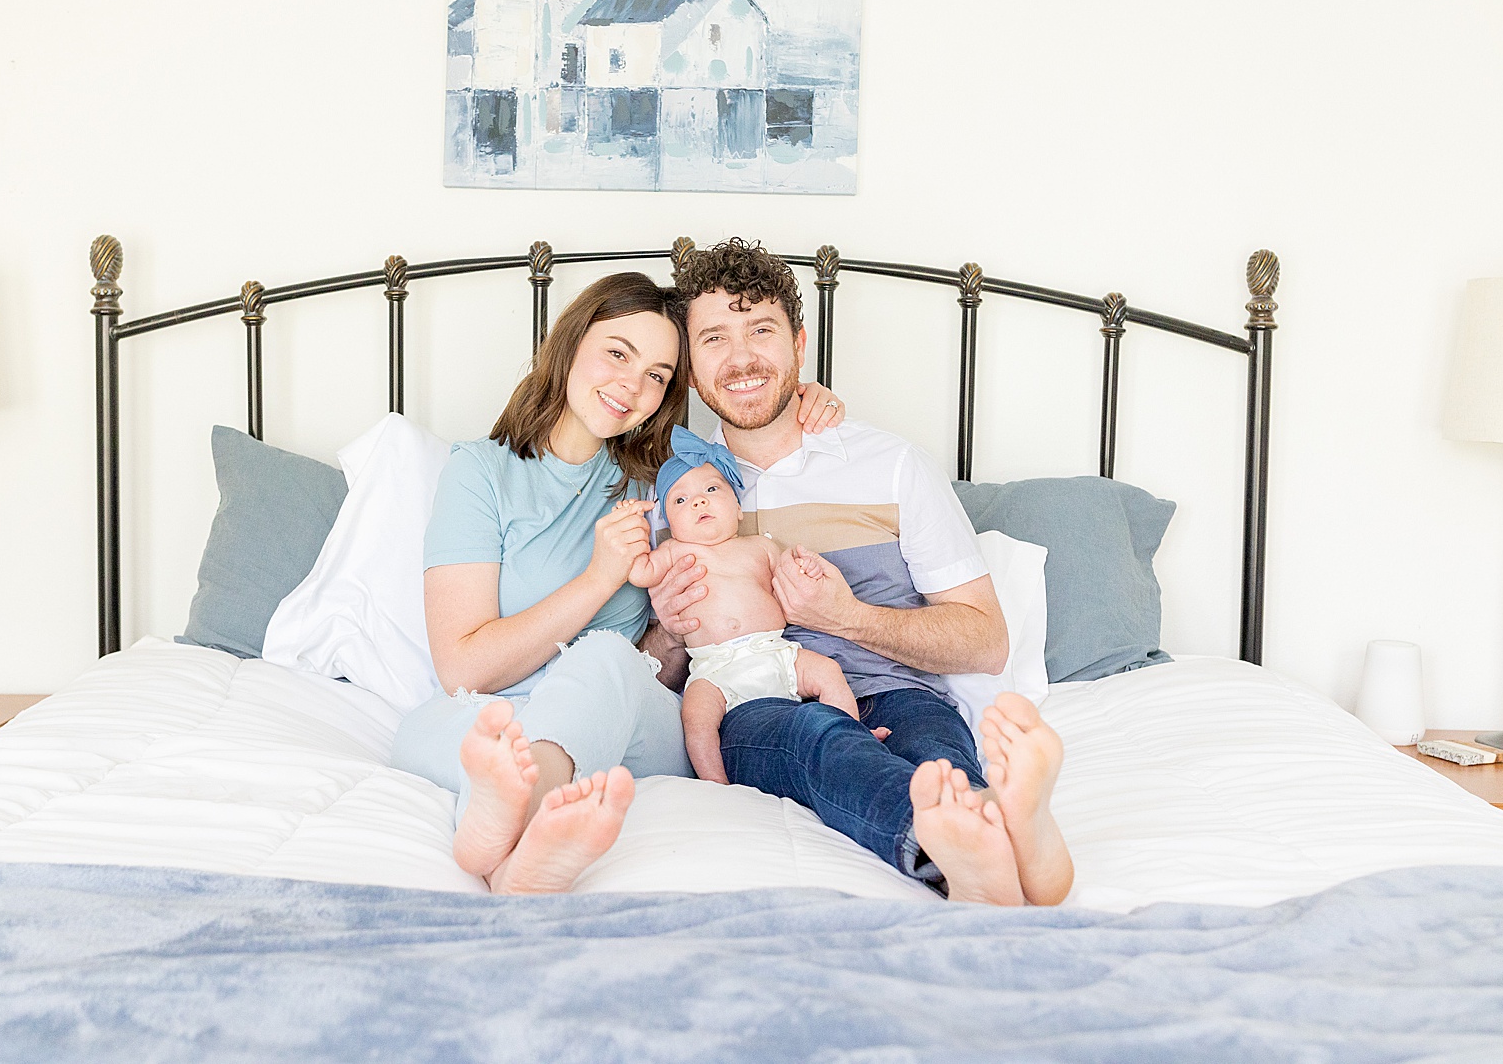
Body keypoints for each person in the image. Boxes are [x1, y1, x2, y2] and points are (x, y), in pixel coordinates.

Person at [645, 238, 1076, 907]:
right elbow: (665, 675)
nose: (741, 358)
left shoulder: (890, 463)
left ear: (798, 343)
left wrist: (845, 617)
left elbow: (986, 642)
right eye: (714, 338)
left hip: (900, 694)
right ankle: (967, 849)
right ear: (693, 371)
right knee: (819, 737)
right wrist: (671, 633)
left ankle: (1007, 843)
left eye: (761, 329)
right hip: (768, 709)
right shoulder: (681, 500)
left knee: (936, 754)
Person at [390, 271, 847, 894]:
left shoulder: (663, 484)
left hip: (629, 715)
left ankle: (520, 808)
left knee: (603, 657)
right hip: (500, 705)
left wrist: (804, 397)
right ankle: (511, 851)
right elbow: (462, 670)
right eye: (617, 353)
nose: (632, 387)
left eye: (658, 374)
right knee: (426, 729)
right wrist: (599, 579)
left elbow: (751, 430)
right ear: (571, 342)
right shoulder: (480, 473)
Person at [625, 427, 874, 784]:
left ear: (738, 507)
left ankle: (854, 738)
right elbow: (638, 572)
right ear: (669, 522)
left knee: (829, 673)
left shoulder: (760, 547)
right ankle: (718, 786)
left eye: (712, 490)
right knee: (695, 719)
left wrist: (807, 569)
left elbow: (794, 581)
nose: (698, 502)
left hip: (776, 653)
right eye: (680, 500)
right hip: (715, 669)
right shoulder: (672, 552)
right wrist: (634, 526)